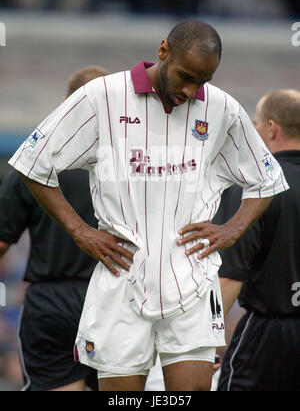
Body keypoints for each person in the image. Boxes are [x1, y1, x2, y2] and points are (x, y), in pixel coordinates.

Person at [8, 20, 288, 392]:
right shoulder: (102, 96)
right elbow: (33, 161)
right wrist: (80, 232)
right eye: (185, 76)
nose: (190, 91)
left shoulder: (222, 108)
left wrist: (232, 228)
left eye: (201, 82)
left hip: (193, 279)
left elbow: (267, 178)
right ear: (163, 51)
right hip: (121, 279)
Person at [0, 65, 108, 391]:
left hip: (52, 302)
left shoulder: (32, 161)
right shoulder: (135, 163)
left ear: (64, 104)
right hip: (114, 301)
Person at [214, 89, 300, 391]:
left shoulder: (257, 189)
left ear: (271, 129)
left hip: (266, 334)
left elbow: (229, 276)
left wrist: (206, 339)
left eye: (256, 124)